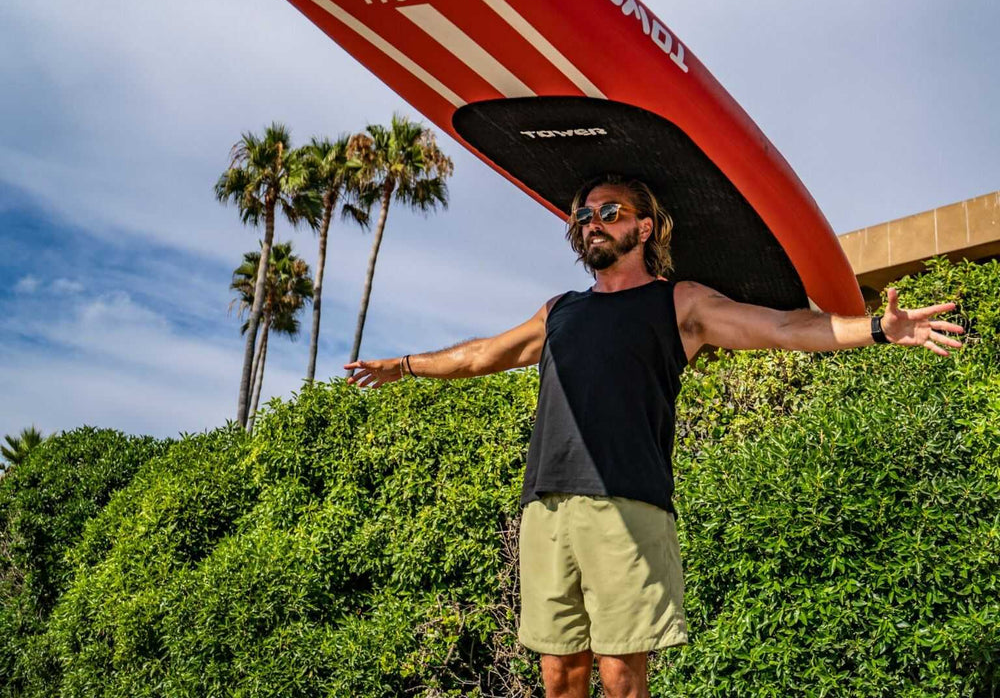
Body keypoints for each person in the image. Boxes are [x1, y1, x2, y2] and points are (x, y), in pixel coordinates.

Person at [344, 174, 964, 698]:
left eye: (609, 212)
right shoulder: (559, 310)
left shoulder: (680, 303)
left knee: (620, 673)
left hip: (628, 503)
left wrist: (878, 330)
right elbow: (482, 354)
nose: (592, 223)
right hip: (548, 505)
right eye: (584, 215)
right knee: (559, 670)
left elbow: (782, 326)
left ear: (643, 229)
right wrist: (402, 366)